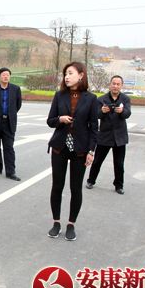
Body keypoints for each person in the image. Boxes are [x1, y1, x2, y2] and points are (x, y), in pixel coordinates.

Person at [46, 62, 98, 241]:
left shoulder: (91, 99)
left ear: (81, 75)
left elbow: (94, 128)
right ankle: (56, 223)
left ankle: (71, 224)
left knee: (76, 188)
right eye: (65, 74)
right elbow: (50, 121)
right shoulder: (59, 96)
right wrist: (59, 119)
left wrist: (91, 151)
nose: (66, 77)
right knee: (57, 186)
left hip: (80, 149)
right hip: (59, 147)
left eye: (70, 73)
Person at [86, 75, 131, 194]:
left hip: (120, 136)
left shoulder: (125, 99)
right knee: (97, 161)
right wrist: (102, 111)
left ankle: (119, 185)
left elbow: (128, 113)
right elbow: (95, 115)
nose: (115, 86)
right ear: (110, 85)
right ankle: (91, 180)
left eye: (118, 84)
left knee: (119, 163)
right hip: (105, 135)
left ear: (121, 86)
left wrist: (122, 111)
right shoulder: (101, 99)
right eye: (113, 84)